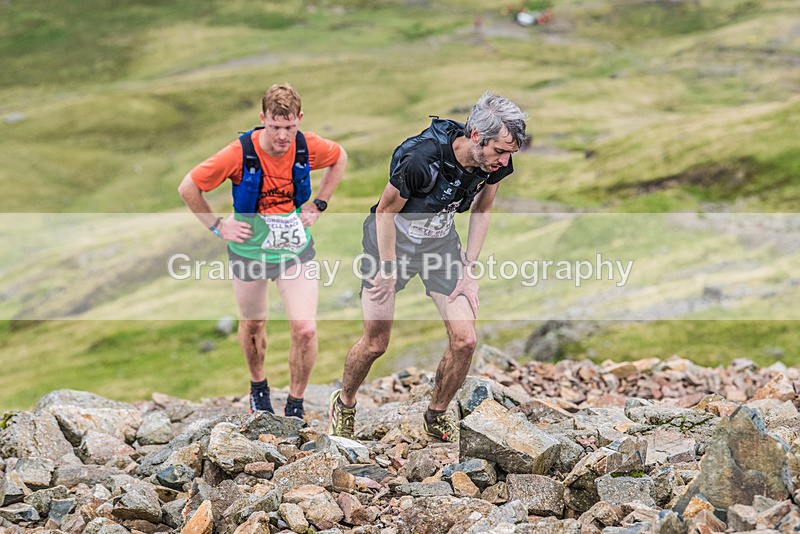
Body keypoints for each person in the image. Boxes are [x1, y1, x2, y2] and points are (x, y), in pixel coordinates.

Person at [328, 92, 527, 442]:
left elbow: (481, 210)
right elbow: (385, 212)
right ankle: (344, 403)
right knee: (376, 343)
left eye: (509, 153)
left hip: (440, 246)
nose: (504, 161)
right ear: (476, 136)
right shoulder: (421, 157)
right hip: (391, 244)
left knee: (465, 340)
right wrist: (388, 268)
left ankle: (435, 415)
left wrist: (469, 269)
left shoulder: (495, 163)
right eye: (499, 151)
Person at [178, 83, 347, 419]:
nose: (283, 136)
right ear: (262, 119)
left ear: (299, 119)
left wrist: (319, 204)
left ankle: (295, 404)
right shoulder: (238, 153)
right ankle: (258, 388)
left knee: (305, 329)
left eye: (290, 127)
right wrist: (218, 226)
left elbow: (339, 157)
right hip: (249, 254)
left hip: (294, 251)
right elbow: (189, 187)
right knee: (254, 324)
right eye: (275, 127)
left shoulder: (307, 146)